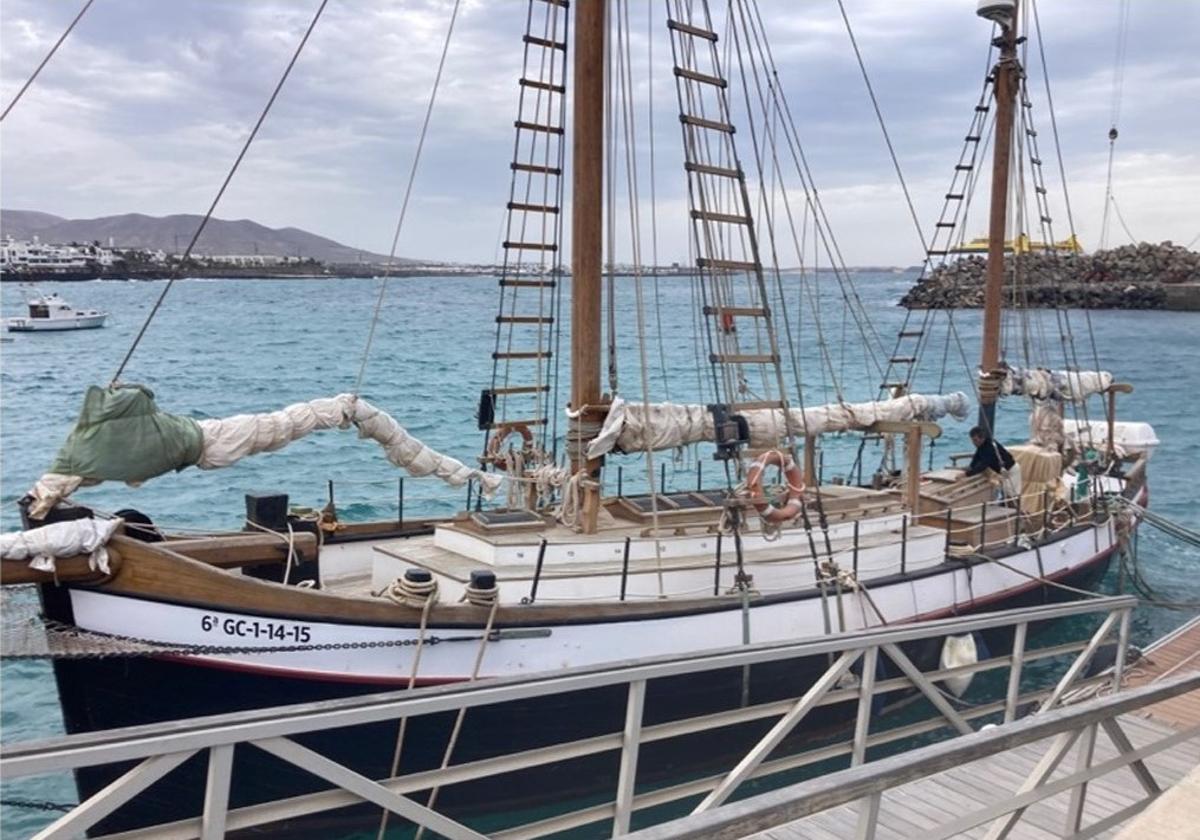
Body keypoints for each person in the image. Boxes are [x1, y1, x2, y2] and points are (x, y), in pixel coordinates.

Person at [965, 426, 1022, 501]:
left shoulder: (990, 447)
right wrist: (970, 467)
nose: (973, 443)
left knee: (1011, 495)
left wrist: (967, 474)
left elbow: (983, 465)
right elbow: (976, 458)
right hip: (1003, 473)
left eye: (975, 440)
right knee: (1005, 493)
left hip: (1011, 471)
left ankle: (1014, 510)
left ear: (982, 438)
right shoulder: (981, 446)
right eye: (972, 440)